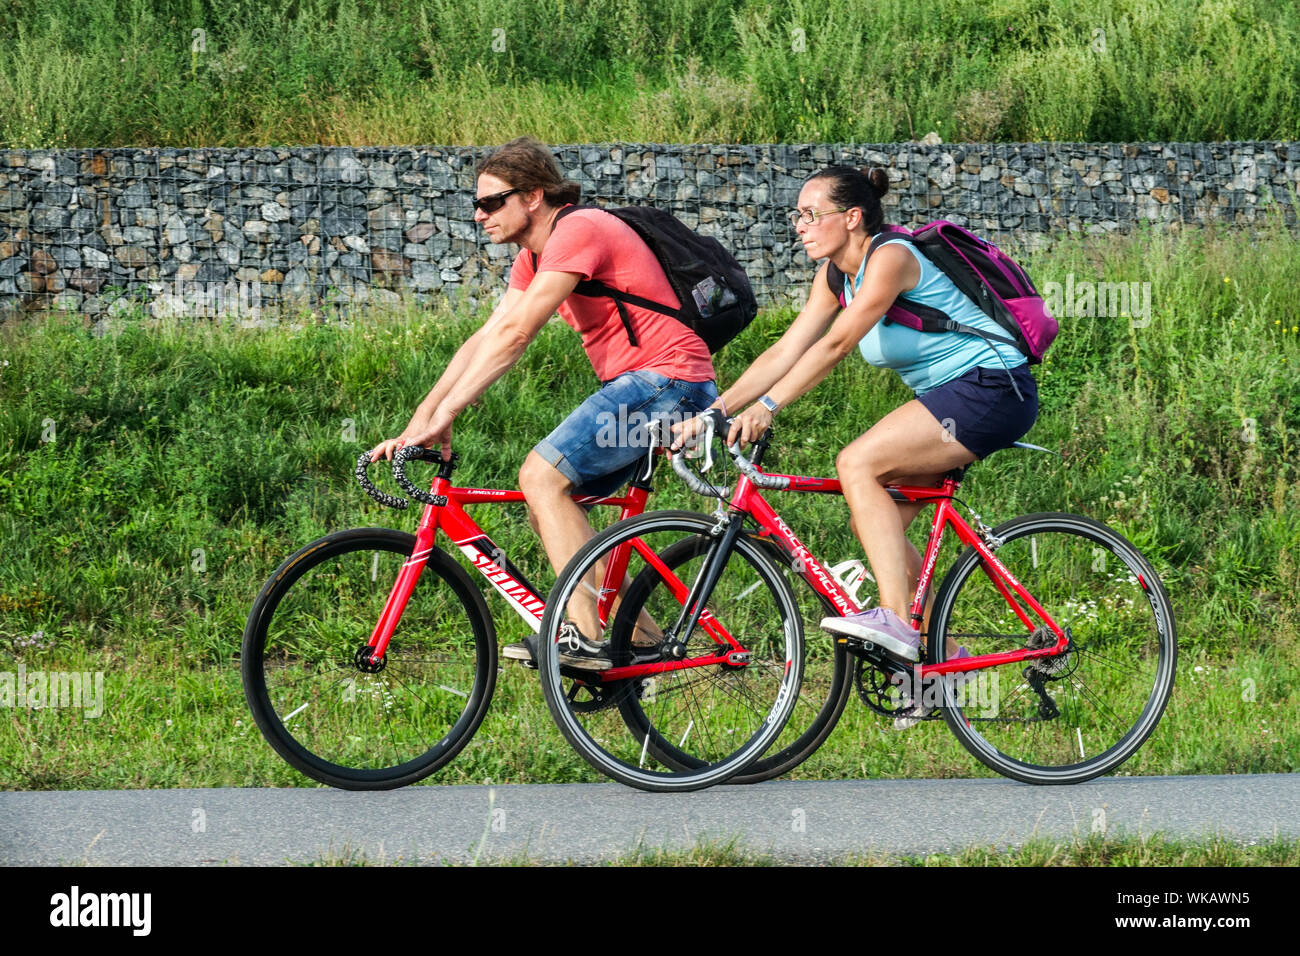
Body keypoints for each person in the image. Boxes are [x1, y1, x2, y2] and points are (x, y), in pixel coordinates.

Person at [673, 165, 1037, 726]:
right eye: (796, 215)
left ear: (852, 218)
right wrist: (713, 413)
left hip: (992, 389)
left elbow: (840, 342)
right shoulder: (833, 275)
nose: (799, 225)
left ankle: (897, 628)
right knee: (875, 522)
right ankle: (943, 660)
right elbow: (788, 350)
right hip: (950, 397)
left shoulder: (890, 257)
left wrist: (768, 408)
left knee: (857, 463)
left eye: (810, 214)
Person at [369, 137, 718, 670]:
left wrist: (449, 414)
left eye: (491, 203)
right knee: (549, 507)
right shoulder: (532, 258)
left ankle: (583, 635)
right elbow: (486, 337)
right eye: (476, 205)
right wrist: (422, 422)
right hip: (649, 388)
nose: (479, 215)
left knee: (540, 476)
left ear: (533, 196)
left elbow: (517, 335)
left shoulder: (579, 229)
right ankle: (637, 641)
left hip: (669, 384)